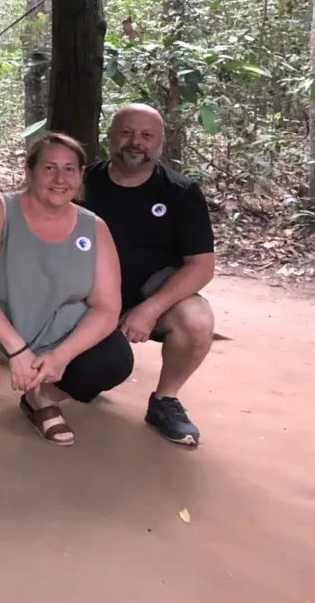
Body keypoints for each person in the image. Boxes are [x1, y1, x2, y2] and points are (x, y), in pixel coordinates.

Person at [0, 132, 133, 445]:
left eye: (69, 169)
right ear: (30, 171)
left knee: (114, 360)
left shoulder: (95, 227)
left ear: (80, 176)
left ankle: (41, 397)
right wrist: (17, 350)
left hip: (54, 320)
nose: (60, 179)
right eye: (49, 168)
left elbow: (107, 307)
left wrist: (61, 356)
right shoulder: (0, 209)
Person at [82, 104, 215, 446]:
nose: (135, 142)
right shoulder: (80, 183)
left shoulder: (181, 192)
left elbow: (201, 265)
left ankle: (164, 401)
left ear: (159, 143)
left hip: (149, 294)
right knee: (86, 377)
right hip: (84, 297)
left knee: (196, 320)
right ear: (110, 136)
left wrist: (150, 309)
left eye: (146, 135)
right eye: (126, 132)